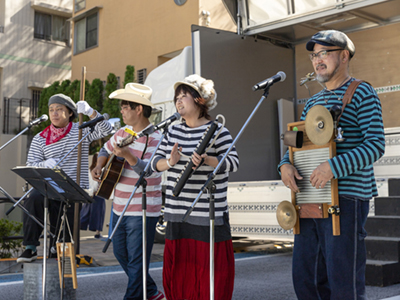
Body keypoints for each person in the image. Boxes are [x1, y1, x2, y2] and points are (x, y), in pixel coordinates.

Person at [278, 30, 385, 299]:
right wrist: (284, 166)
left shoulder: (362, 92)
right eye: (314, 56)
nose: (317, 60)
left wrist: (333, 167)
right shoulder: (312, 102)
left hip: (347, 199)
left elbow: (375, 144)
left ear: (344, 56)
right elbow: (295, 144)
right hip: (310, 199)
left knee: (343, 282)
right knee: (306, 279)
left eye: (324, 53)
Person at [151, 75, 239, 300]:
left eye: (184, 96)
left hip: (207, 213)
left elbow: (233, 163)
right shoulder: (172, 131)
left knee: (209, 271)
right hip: (177, 211)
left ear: (200, 100)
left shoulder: (218, 130)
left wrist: (209, 160)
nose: (178, 101)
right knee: (180, 271)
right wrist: (170, 161)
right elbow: (155, 163)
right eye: (176, 97)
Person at [17, 94, 112, 263]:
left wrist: (90, 112)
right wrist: (45, 163)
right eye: (51, 109)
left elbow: (106, 130)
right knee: (33, 199)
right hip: (49, 185)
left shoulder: (80, 129)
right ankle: (30, 248)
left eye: (59, 109)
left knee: (63, 225)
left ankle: (57, 250)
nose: (54, 113)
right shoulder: (40, 138)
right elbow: (31, 164)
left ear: (70, 113)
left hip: (73, 189)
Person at [91, 83, 165, 300]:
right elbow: (105, 149)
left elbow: (151, 172)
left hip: (142, 209)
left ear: (138, 109)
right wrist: (99, 165)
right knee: (120, 253)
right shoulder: (122, 133)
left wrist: (129, 156)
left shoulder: (157, 138)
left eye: (125, 107)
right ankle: (150, 291)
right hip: (118, 206)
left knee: (137, 260)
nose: (121, 111)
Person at [80, 153, 106, 239]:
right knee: (98, 213)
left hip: (93, 193)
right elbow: (93, 183)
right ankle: (97, 232)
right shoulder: (98, 169)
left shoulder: (90, 170)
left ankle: (95, 231)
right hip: (97, 193)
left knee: (86, 212)